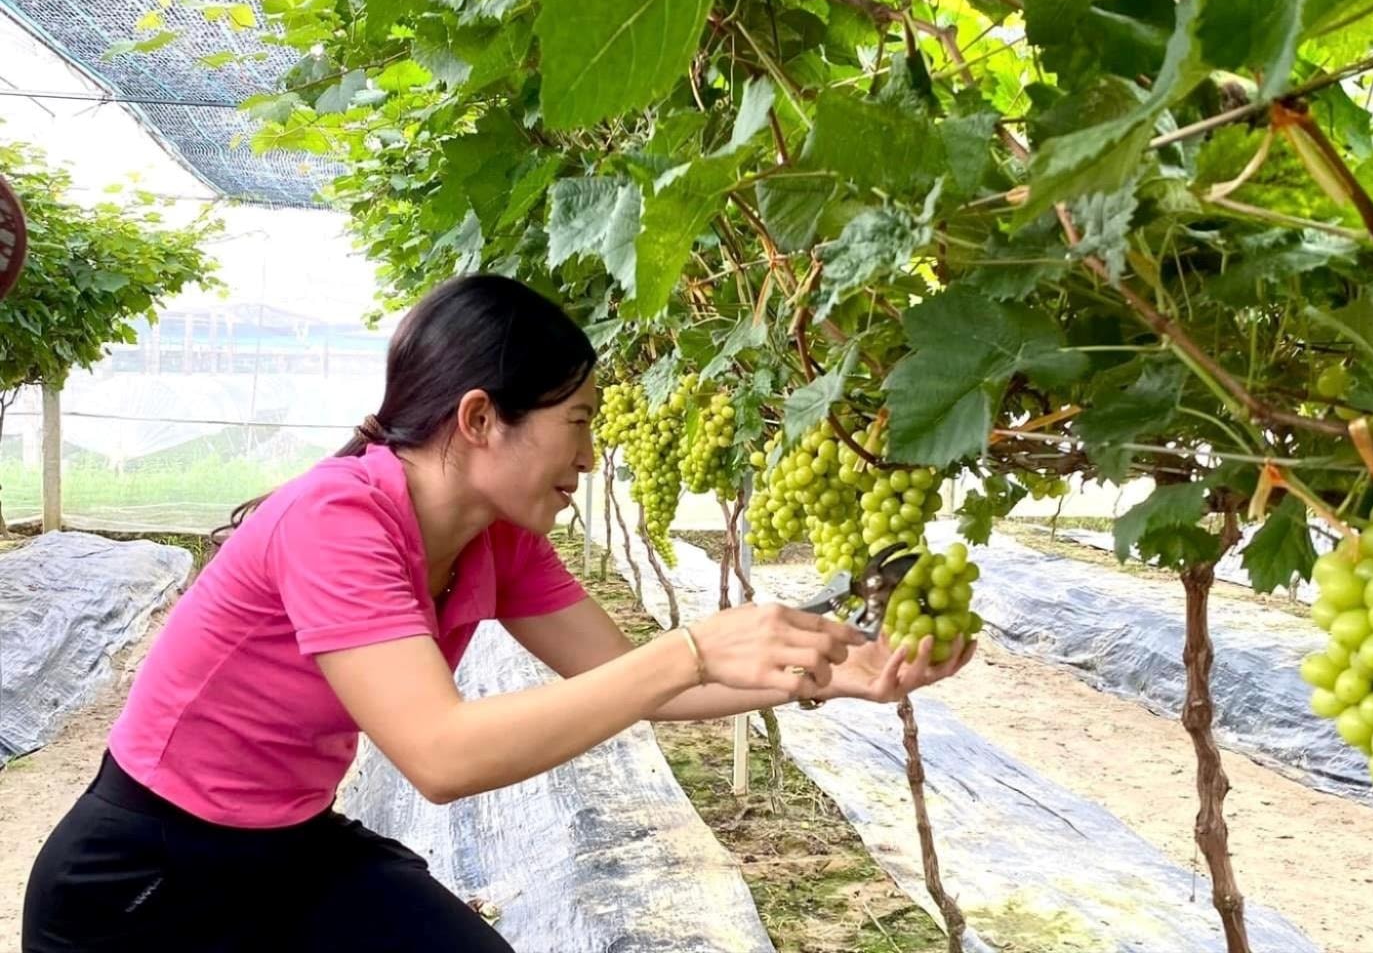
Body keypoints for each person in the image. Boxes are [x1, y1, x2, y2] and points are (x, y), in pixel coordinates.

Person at [21, 275, 975, 952]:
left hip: (288, 851)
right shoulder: (336, 517)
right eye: (581, 421)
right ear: (480, 419)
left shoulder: (497, 536)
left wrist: (836, 675)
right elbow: (441, 756)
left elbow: (631, 690)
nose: (595, 455)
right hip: (144, 883)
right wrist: (689, 649)